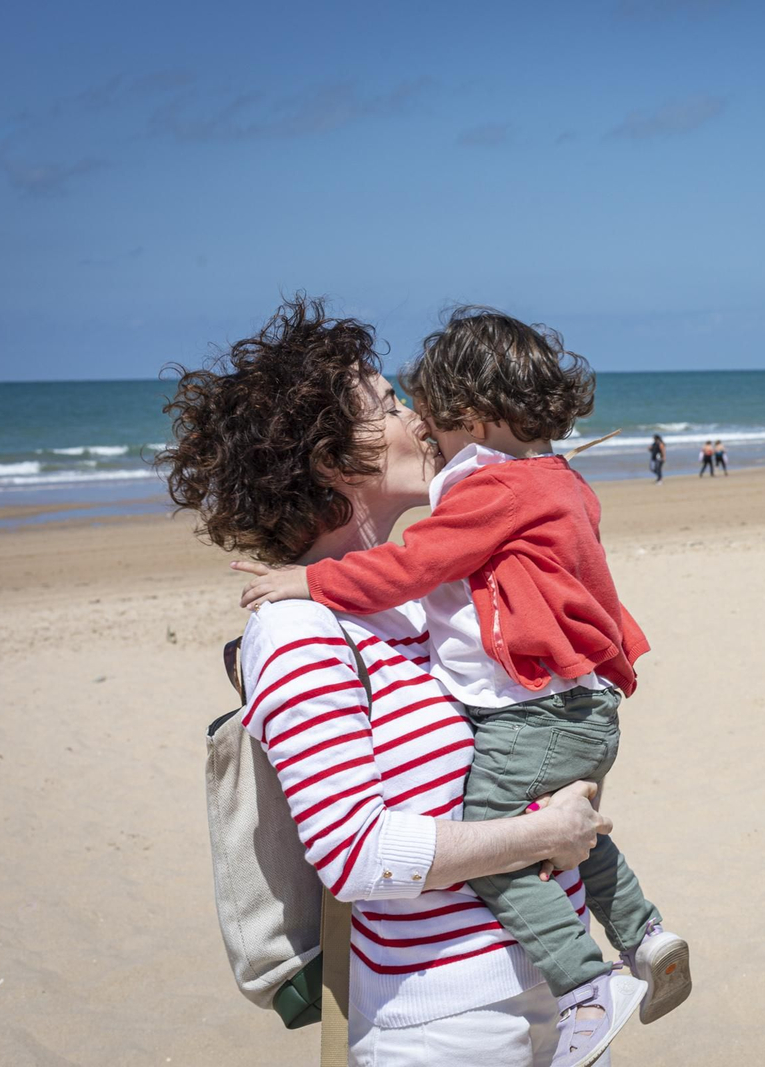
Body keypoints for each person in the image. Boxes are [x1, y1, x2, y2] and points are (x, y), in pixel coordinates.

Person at [161, 298, 616, 1066]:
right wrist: (543, 834)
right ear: (337, 461)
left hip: (565, 989)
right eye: (391, 404)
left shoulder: (423, 596)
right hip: (451, 1022)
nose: (422, 416)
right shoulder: (297, 627)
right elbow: (356, 852)